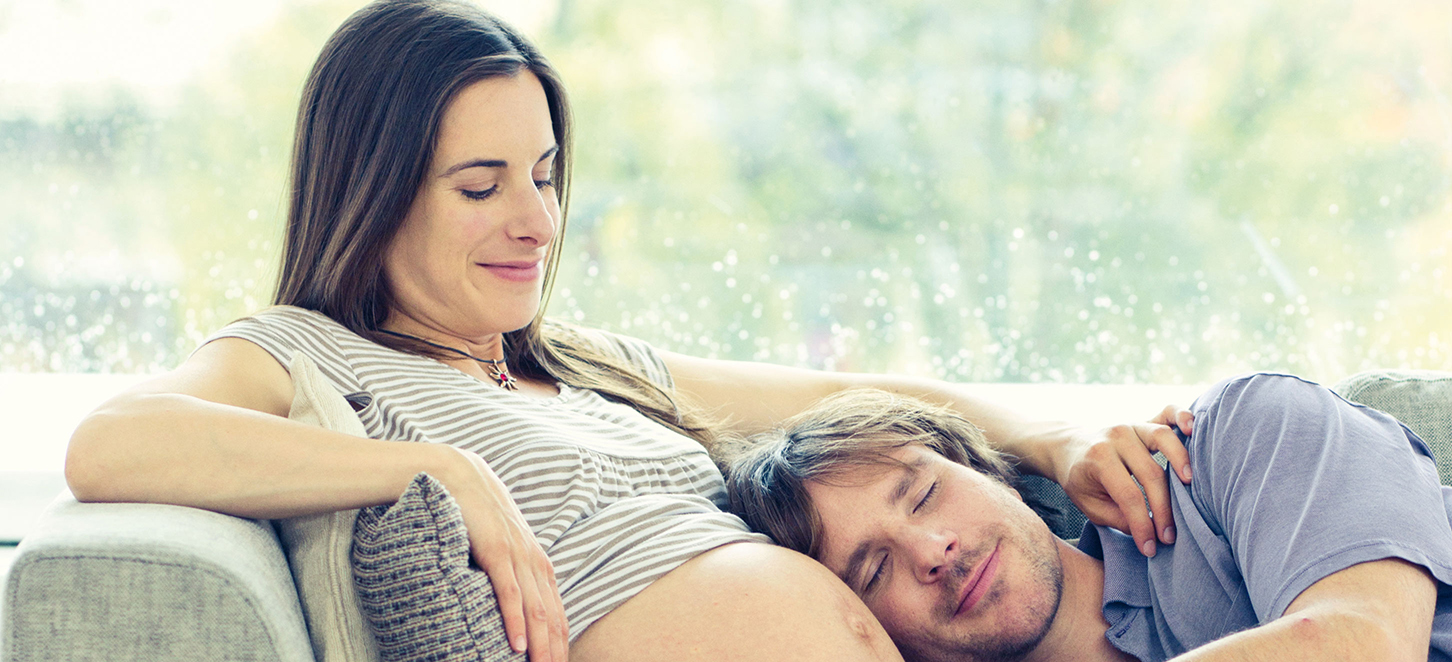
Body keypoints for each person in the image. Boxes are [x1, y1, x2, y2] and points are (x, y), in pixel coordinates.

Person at [63, 2, 1195, 661]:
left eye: (547, 176)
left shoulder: (591, 366)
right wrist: (433, 465)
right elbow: (112, 441)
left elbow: (849, 402)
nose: (537, 221)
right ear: (375, 188)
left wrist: (1048, 437)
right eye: (481, 185)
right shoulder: (308, 353)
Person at [723, 374, 1452, 662]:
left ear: (987, 468)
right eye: (876, 569)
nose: (933, 549)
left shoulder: (1237, 437)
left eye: (922, 495)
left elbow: (1358, 644)